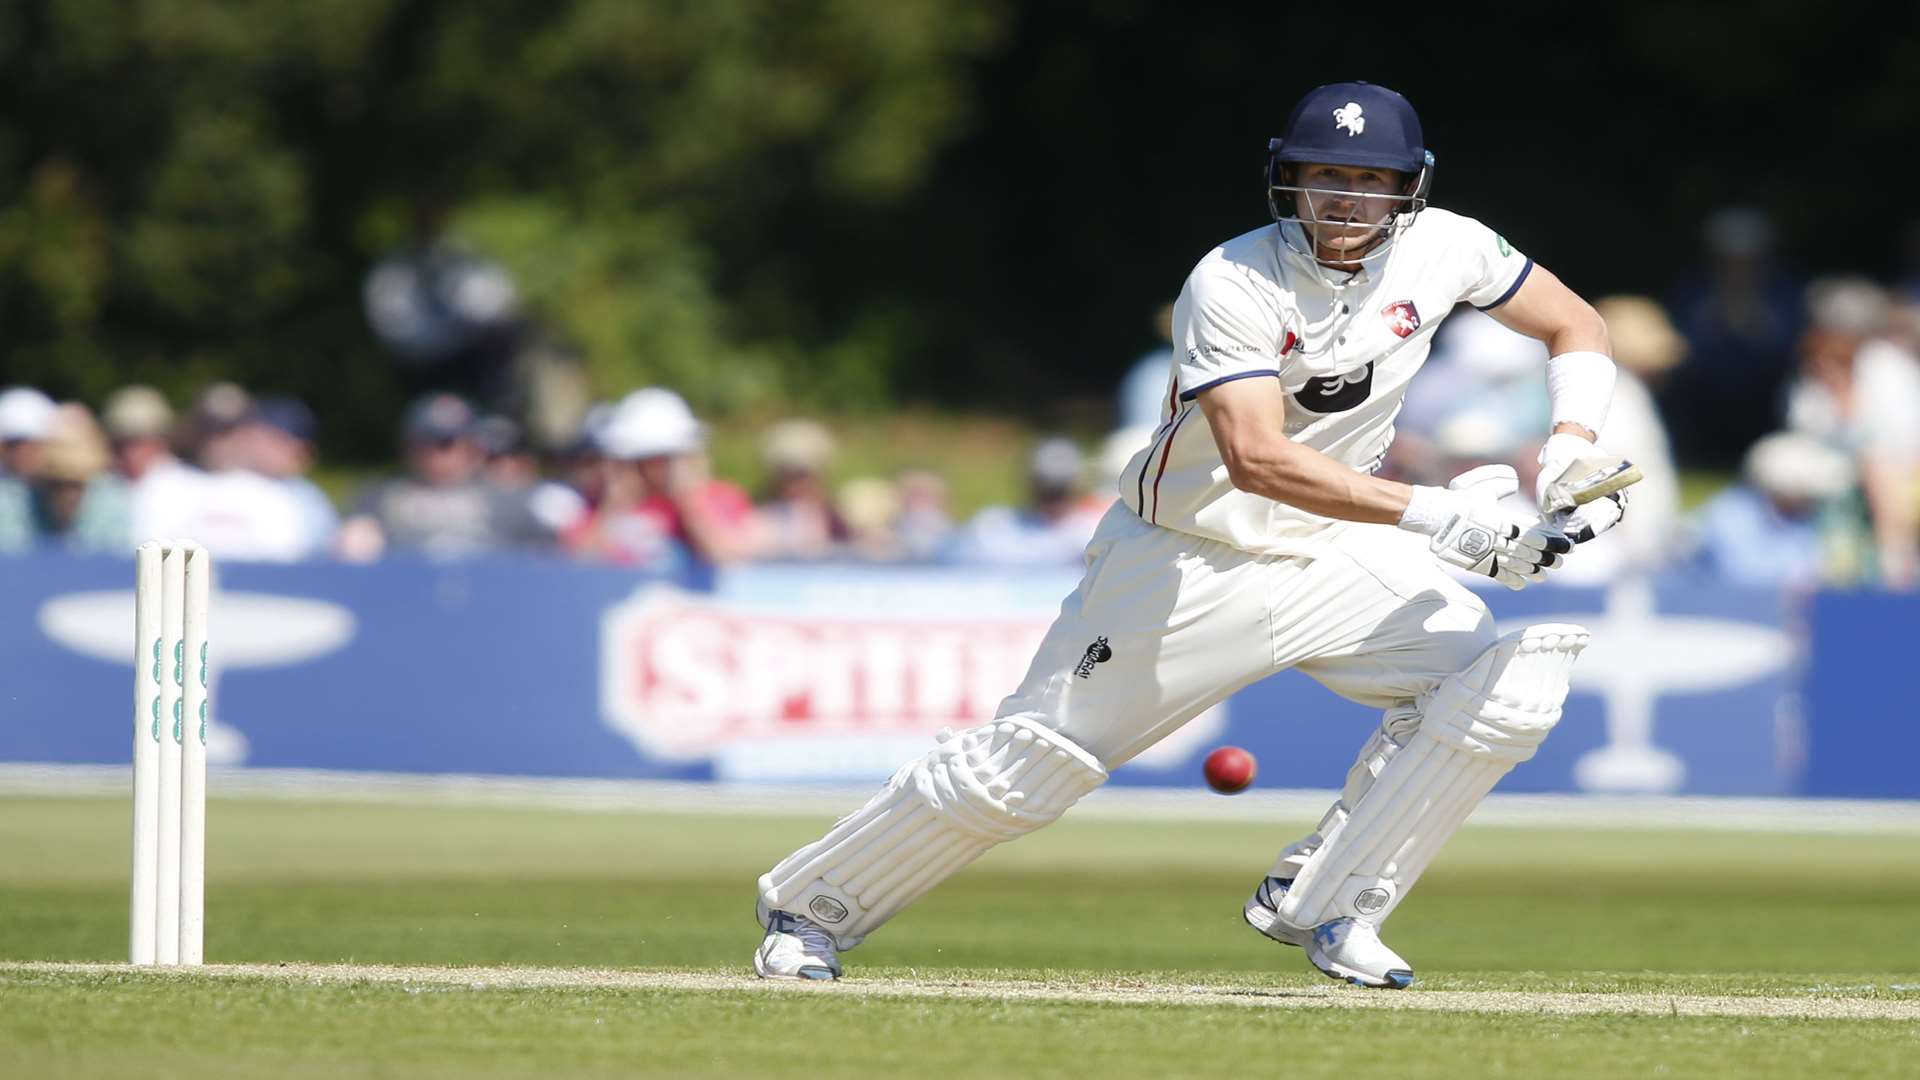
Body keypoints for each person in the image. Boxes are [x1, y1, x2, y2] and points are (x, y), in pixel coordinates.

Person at [751, 82, 1623, 988]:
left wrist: (1567, 452)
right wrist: (1444, 516)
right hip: (1187, 560)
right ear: (1286, 178)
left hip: (1332, 552)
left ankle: (1330, 901)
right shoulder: (1232, 279)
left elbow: (1575, 324)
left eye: (1371, 178)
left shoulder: (1452, 245)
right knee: (1028, 769)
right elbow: (1255, 458)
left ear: (1412, 185)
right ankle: (810, 909)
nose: (1345, 199)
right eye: (1324, 175)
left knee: (1503, 686)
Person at [338, 392, 551, 560]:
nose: (437, 454)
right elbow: (352, 547)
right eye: (426, 442)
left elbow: (544, 554)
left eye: (447, 443)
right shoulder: (379, 497)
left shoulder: (508, 497)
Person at [562, 388, 755, 568]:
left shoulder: (720, 498)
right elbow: (574, 566)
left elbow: (726, 559)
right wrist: (614, 507)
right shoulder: (596, 505)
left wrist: (689, 503)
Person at [948, 437, 1110, 565]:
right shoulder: (992, 527)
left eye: (1059, 489)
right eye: (1045, 488)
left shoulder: (1096, 532)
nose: (1053, 497)